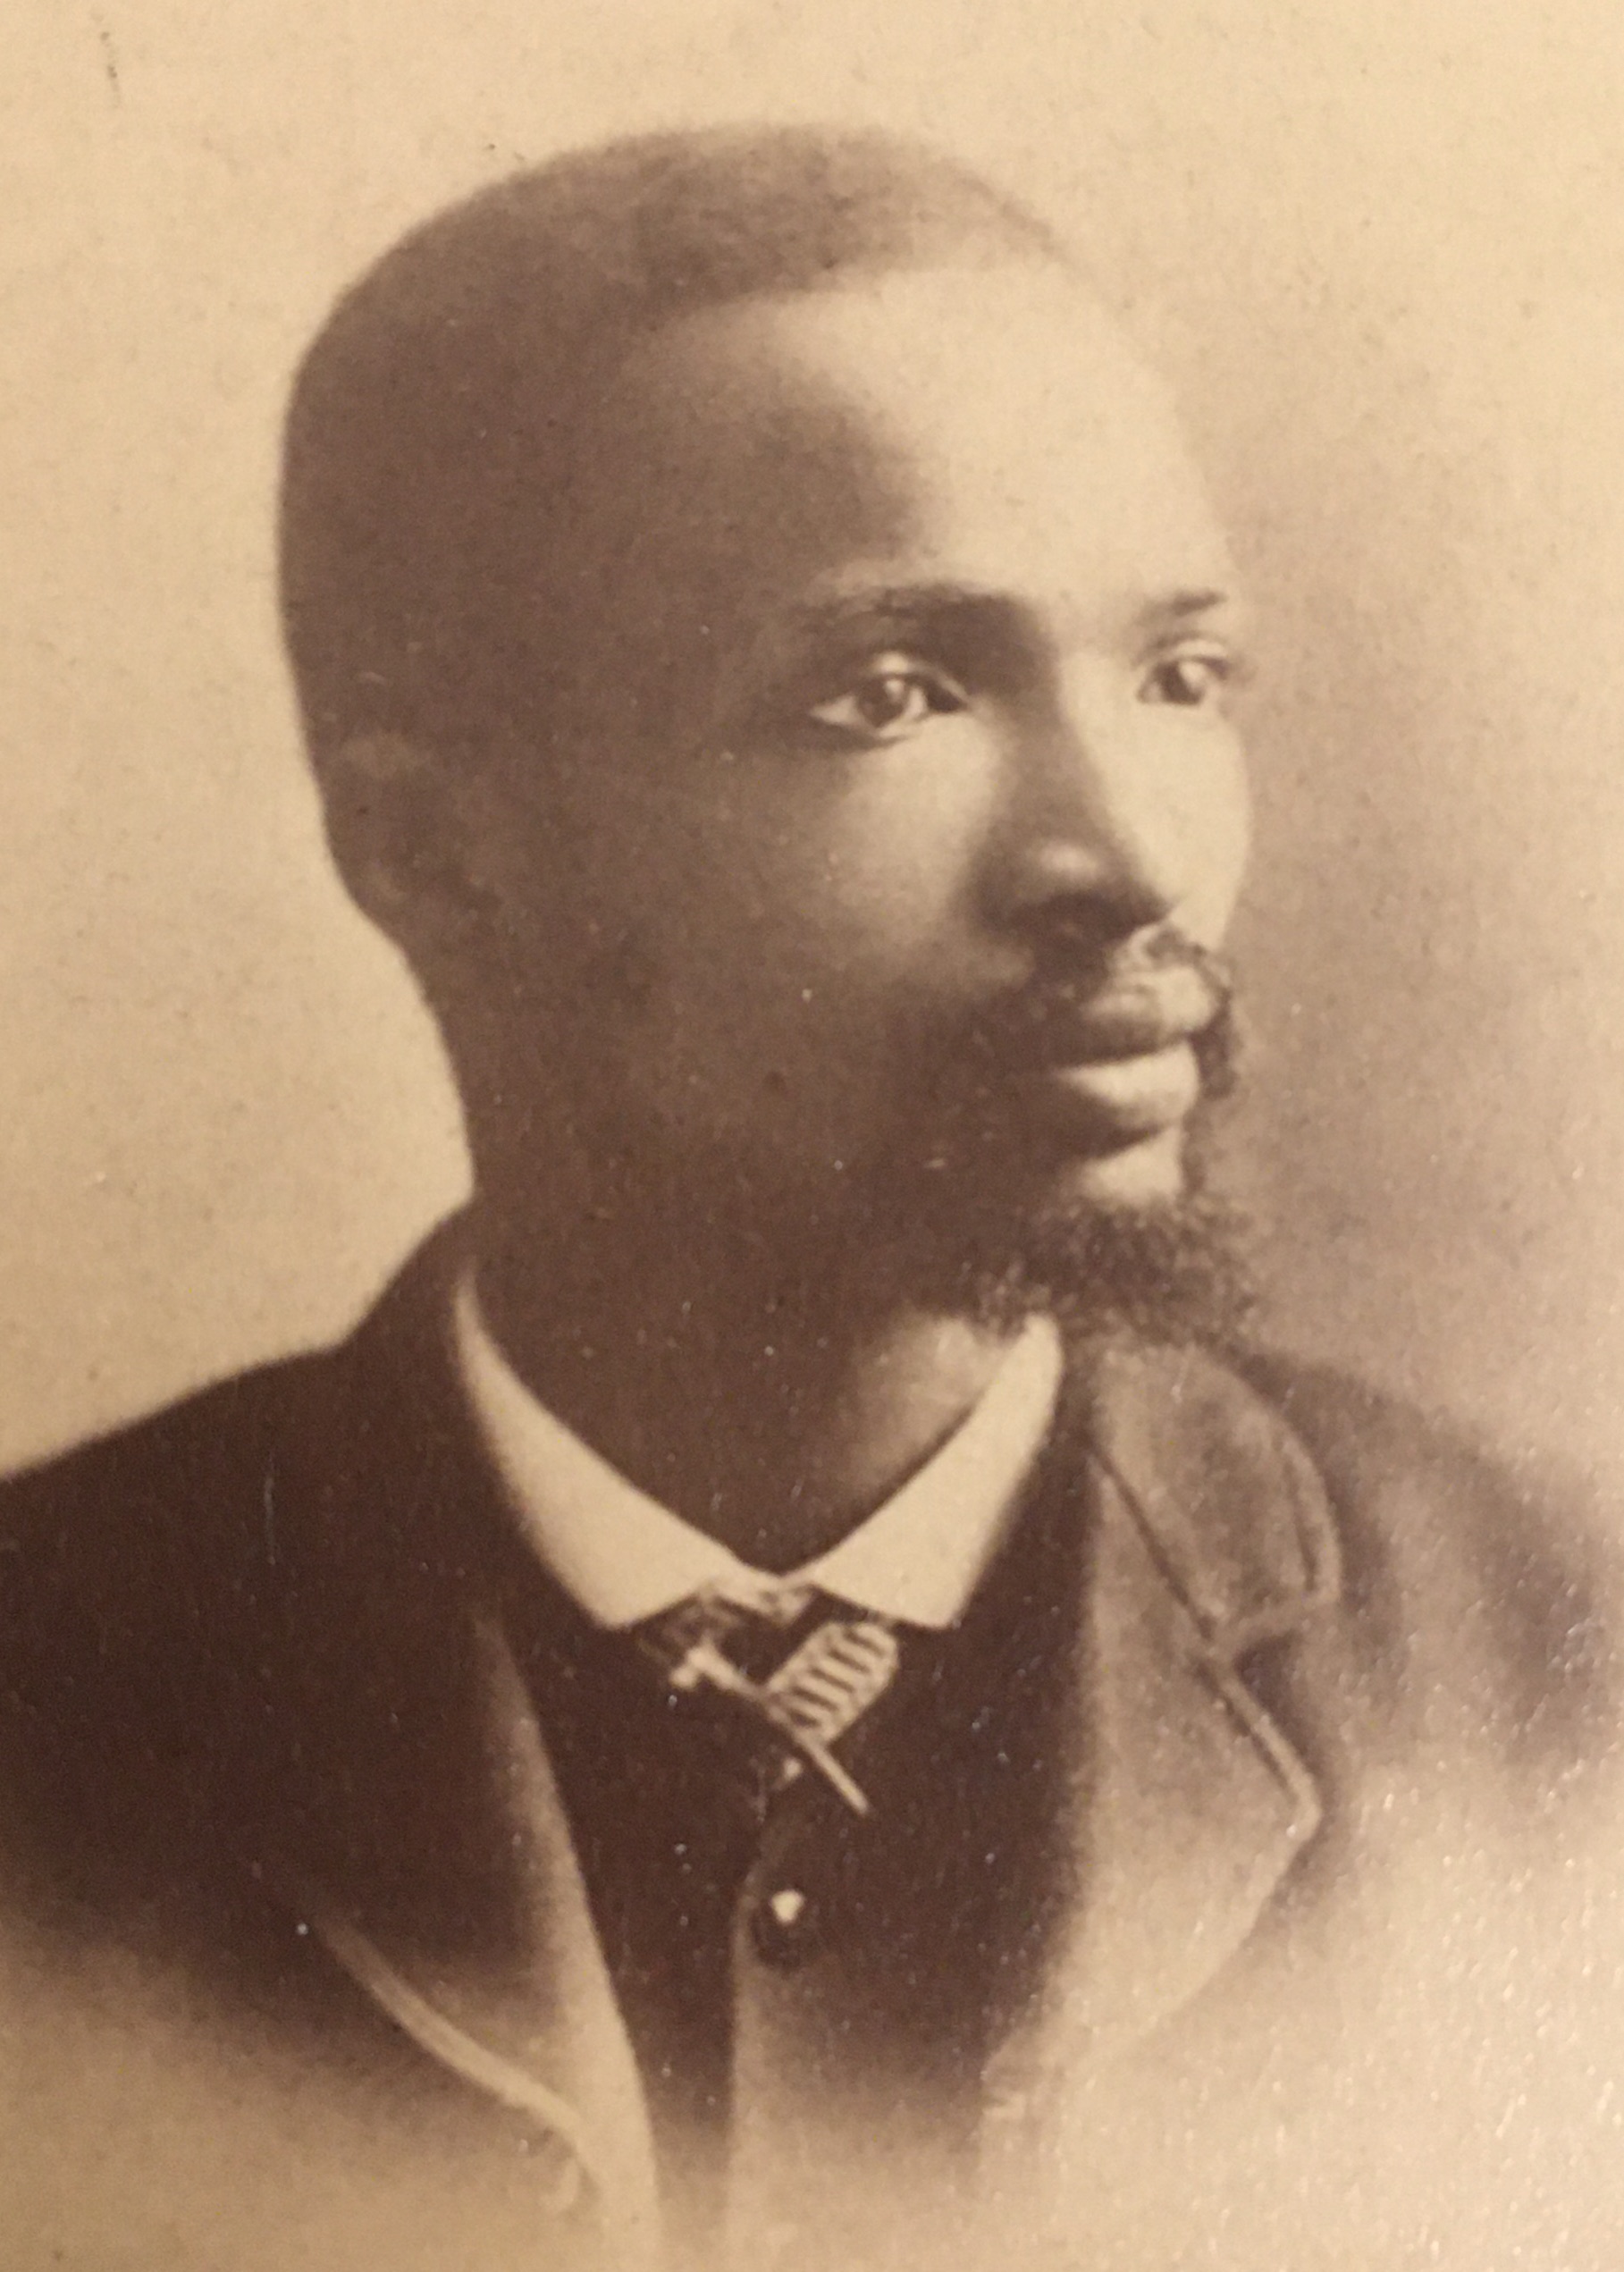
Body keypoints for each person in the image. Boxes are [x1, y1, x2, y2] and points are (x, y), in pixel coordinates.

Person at [0, 126, 1619, 2272]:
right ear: (431, 854)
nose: (1129, 853)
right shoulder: (54, 1695)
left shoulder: (1552, 1678)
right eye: (894, 691)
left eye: (1180, 676)